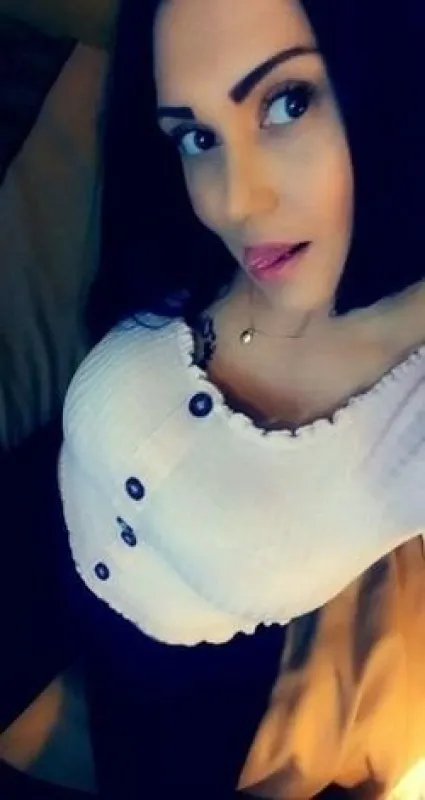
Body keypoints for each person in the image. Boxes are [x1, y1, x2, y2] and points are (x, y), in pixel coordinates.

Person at [59, 0, 425, 797]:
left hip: (181, 679)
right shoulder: (178, 237)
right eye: (196, 137)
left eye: (287, 101)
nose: (230, 203)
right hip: (40, 520)